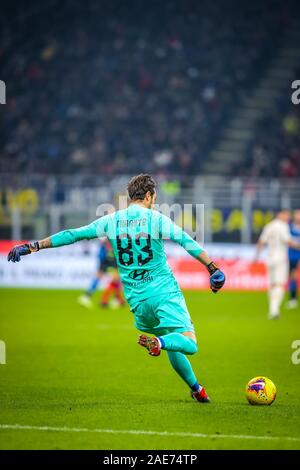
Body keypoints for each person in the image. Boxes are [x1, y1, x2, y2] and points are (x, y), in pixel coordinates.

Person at [7, 174, 225, 403]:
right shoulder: (156, 219)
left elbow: (73, 235)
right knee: (188, 343)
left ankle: (196, 388)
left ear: (131, 196)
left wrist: (34, 246)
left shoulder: (111, 220)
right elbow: (186, 241)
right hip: (164, 294)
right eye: (154, 197)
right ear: (149, 195)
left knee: (170, 339)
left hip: (138, 303)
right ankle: (160, 344)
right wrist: (212, 267)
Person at [254, 210, 300, 319]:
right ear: (280, 215)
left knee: (272, 284)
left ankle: (272, 309)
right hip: (280, 258)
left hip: (269, 258)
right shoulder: (283, 226)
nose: (288, 218)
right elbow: (288, 241)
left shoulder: (269, 226)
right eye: (286, 216)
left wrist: (256, 257)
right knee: (279, 284)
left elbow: (261, 242)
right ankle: (274, 310)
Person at [78, 239, 124, 309]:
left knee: (115, 280)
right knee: (113, 279)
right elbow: (102, 255)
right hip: (107, 262)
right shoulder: (106, 245)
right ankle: (89, 297)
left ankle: (115, 299)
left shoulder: (110, 243)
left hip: (110, 261)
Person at [286, 210, 300, 309]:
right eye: (297, 214)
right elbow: (288, 242)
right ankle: (293, 299)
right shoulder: (289, 228)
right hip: (293, 256)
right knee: (292, 277)